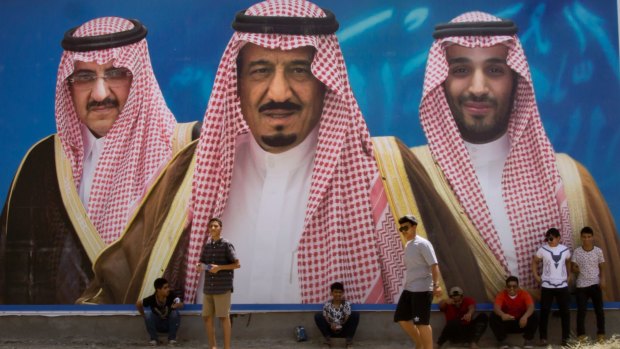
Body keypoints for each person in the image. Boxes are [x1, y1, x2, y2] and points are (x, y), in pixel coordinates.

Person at [126, 0, 403, 305]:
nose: (279, 93)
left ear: (325, 83)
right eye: (260, 71)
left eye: (300, 70)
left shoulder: (375, 187)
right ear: (237, 84)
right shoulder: (189, 180)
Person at [372, 11, 620, 302]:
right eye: (461, 70)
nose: (478, 88)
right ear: (441, 81)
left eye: (495, 70)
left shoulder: (571, 181)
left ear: (516, 79)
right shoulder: (404, 178)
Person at [0, 17, 199, 304]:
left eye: (116, 73)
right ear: (68, 86)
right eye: (84, 77)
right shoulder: (40, 163)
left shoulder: (191, 153)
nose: (100, 93)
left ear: (139, 77)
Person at [394, 215, 442, 349]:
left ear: (414, 227)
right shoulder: (409, 245)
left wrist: (436, 285)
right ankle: (419, 343)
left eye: (406, 227)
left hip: (422, 289)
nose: (403, 231)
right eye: (401, 228)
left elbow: (434, 265)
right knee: (401, 318)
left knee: (422, 323)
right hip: (409, 289)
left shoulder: (423, 244)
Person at [197, 218, 239, 349]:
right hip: (208, 288)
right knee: (207, 318)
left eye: (215, 226)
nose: (213, 228)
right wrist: (200, 266)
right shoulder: (207, 246)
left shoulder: (226, 244)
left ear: (221, 228)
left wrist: (219, 267)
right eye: (211, 226)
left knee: (223, 318)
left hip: (222, 288)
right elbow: (202, 262)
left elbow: (237, 264)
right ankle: (213, 347)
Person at [532, 228, 571, 346]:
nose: (549, 240)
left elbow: (568, 262)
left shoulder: (565, 250)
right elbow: (535, 262)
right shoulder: (542, 250)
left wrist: (569, 276)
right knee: (544, 311)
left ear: (558, 238)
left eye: (551, 238)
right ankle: (543, 338)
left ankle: (566, 338)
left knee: (565, 312)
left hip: (562, 285)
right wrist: (536, 276)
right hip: (547, 285)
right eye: (547, 238)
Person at [572, 226, 606, 343]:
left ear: (592, 237)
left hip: (595, 284)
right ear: (581, 238)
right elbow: (573, 266)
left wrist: (603, 280)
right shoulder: (577, 251)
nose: (587, 239)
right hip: (581, 286)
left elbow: (602, 267)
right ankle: (581, 336)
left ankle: (601, 334)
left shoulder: (598, 251)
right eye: (584, 237)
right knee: (581, 311)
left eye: (589, 237)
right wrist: (575, 268)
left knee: (599, 311)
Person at [489, 276, 538, 349]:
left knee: (534, 315)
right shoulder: (501, 294)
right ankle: (502, 341)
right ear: (506, 287)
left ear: (518, 287)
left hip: (521, 323)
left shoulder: (524, 294)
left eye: (514, 286)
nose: (512, 288)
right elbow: (496, 308)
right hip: (507, 322)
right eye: (509, 286)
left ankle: (528, 340)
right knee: (493, 316)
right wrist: (502, 315)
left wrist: (525, 317)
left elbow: (531, 307)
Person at [136, 278, 183, 346]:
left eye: (168, 287)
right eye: (165, 288)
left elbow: (181, 303)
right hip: (157, 325)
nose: (168, 289)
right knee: (148, 314)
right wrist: (143, 315)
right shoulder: (152, 299)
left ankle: (172, 339)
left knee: (174, 313)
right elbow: (138, 303)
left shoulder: (171, 295)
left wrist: (177, 305)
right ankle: (154, 340)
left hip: (169, 324)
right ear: (158, 290)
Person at [314, 282, 360, 348]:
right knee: (318, 315)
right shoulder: (327, 305)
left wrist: (340, 325)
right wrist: (331, 325)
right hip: (331, 330)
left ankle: (349, 342)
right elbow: (326, 317)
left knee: (355, 315)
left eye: (340, 292)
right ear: (331, 293)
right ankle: (327, 341)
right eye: (335, 292)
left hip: (343, 329)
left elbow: (346, 317)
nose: (338, 294)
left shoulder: (346, 304)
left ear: (342, 293)